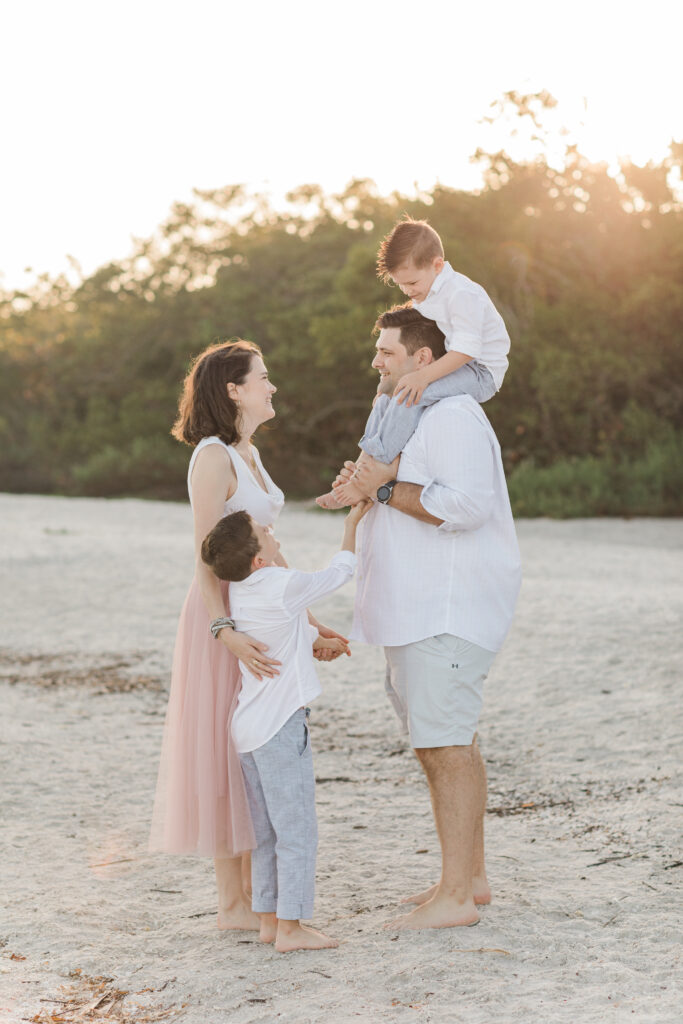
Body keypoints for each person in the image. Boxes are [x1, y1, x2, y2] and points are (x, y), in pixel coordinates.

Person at [149, 339, 348, 931]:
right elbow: (206, 555)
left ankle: (251, 902)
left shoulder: (249, 451)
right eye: (263, 377)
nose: (273, 386)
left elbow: (270, 558)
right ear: (234, 390)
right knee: (222, 746)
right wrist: (224, 629)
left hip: (263, 610)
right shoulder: (212, 457)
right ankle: (233, 903)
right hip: (226, 616)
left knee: (250, 753)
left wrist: (305, 623)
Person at [343, 305, 521, 930]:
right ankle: (468, 880)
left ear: (424, 359)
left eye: (387, 352)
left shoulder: (452, 417)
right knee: (448, 742)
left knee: (445, 747)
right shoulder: (413, 420)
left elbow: (467, 506)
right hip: (417, 611)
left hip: (446, 610)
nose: (376, 362)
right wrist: (369, 488)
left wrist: (387, 489)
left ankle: (454, 900)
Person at [200, 501, 369, 952]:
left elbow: (288, 628)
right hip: (279, 728)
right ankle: (292, 928)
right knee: (296, 828)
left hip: (248, 730)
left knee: (268, 832)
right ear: (260, 558)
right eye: (265, 532)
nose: (273, 533)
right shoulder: (279, 582)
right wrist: (352, 523)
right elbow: (338, 574)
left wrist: (319, 640)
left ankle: (271, 923)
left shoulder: (242, 591)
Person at [316, 216, 510, 508]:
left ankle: (380, 467)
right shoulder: (427, 290)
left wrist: (422, 377)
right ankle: (362, 467)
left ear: (437, 265)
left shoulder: (461, 294)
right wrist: (388, 388)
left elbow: (466, 351)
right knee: (387, 393)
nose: (407, 291)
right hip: (457, 364)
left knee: (410, 393)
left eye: (411, 282)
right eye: (400, 284)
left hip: (481, 372)